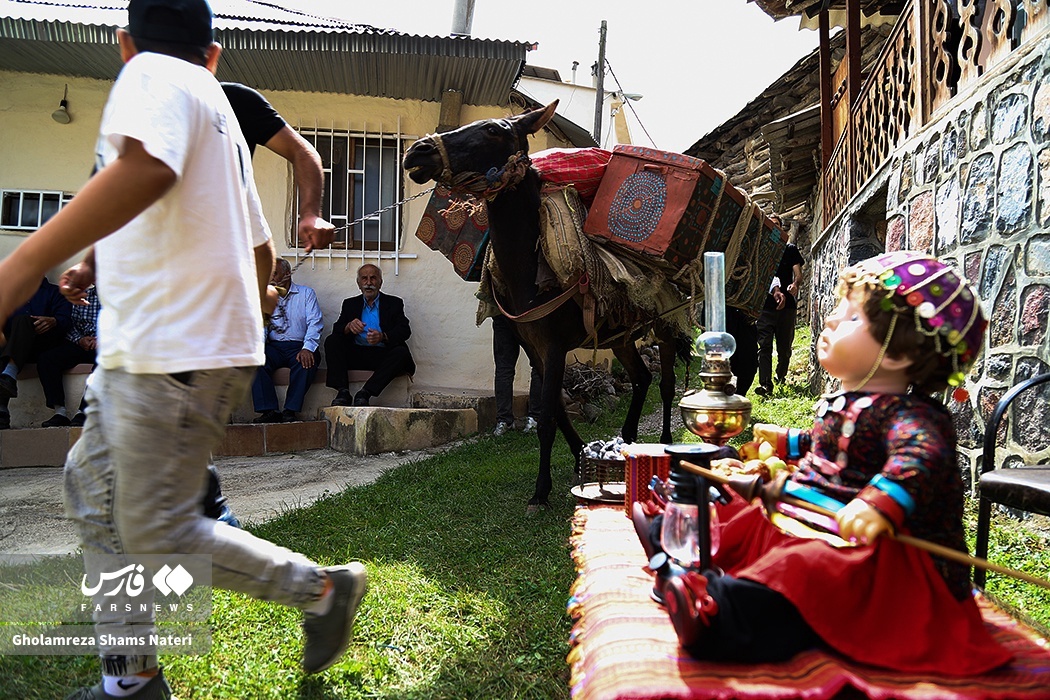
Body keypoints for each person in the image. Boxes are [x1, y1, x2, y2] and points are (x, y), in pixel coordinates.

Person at [0, 3, 365, 698]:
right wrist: (251, 314)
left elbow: (145, 173)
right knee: (96, 494)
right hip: (163, 349)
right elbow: (256, 240)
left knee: (155, 535)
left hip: (170, 351)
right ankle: (132, 682)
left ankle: (321, 589)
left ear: (124, 42)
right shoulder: (214, 106)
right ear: (214, 53)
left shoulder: (151, 76)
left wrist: (19, 270)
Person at [653, 251, 1010, 675]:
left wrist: (878, 502)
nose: (832, 320)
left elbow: (919, 457)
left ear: (895, 354)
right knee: (757, 518)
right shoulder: (849, 402)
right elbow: (830, 447)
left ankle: (726, 616)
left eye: (852, 317)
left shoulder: (912, 417)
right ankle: (681, 544)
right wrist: (788, 442)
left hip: (883, 552)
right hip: (825, 512)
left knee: (808, 568)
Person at [325, 263, 415, 407]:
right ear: (358, 283)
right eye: (364, 278)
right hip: (356, 353)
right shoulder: (350, 304)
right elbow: (337, 328)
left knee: (401, 353)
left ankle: (366, 392)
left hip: (381, 354)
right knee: (332, 341)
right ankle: (342, 392)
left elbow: (404, 330)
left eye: (373, 278)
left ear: (380, 282)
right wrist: (348, 327)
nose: (368, 283)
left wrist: (383, 336)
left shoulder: (394, 303)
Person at [251, 257, 323, 422]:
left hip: (300, 345)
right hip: (275, 347)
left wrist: (308, 348)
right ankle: (268, 411)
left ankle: (290, 410)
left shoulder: (306, 294)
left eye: (275, 274)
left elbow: (315, 323)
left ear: (287, 274)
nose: (271, 279)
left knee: (306, 362)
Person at [0, 276, 72, 430]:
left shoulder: (55, 292)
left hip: (45, 344)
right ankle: (2, 412)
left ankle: (9, 375)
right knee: (19, 324)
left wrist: (54, 321)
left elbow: (66, 320)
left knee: (23, 321)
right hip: (17, 348)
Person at [36, 284, 100, 427]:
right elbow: (70, 324)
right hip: (82, 343)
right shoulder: (82, 296)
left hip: (107, 345)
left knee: (106, 363)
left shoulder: (119, 297)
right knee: (48, 359)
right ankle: (60, 412)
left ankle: (84, 412)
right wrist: (80, 339)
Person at [755, 228, 805, 396]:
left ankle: (780, 375)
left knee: (784, 347)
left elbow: (798, 274)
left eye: (777, 226)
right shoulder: (761, 250)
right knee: (764, 345)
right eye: (770, 226)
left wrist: (795, 285)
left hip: (787, 307)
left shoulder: (790, 249)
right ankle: (765, 384)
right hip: (764, 306)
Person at [491, 314, 541, 435]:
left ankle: (504, 421)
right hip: (528, 315)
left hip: (502, 314)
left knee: (504, 368)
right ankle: (534, 419)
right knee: (539, 365)